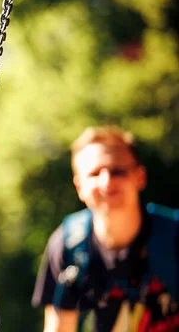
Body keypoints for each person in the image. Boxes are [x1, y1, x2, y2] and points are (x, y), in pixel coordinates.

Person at [32, 126, 179, 331]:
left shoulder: (173, 235)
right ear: (79, 188)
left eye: (117, 171)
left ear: (140, 177)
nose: (106, 182)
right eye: (94, 174)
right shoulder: (67, 244)